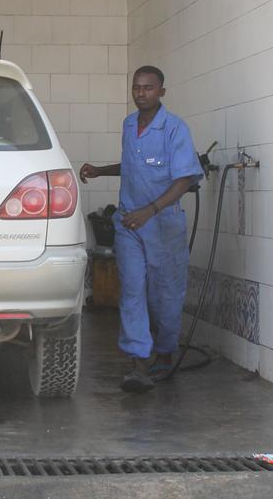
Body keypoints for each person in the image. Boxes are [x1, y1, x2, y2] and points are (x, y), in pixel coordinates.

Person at [80, 66, 202, 393]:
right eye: (136, 87)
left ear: (161, 92)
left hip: (163, 225)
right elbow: (132, 166)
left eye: (148, 88)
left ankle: (165, 352)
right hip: (129, 225)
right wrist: (100, 171)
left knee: (165, 296)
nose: (141, 93)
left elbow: (185, 179)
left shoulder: (174, 129)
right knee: (132, 290)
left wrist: (151, 210)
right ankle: (138, 364)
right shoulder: (129, 124)